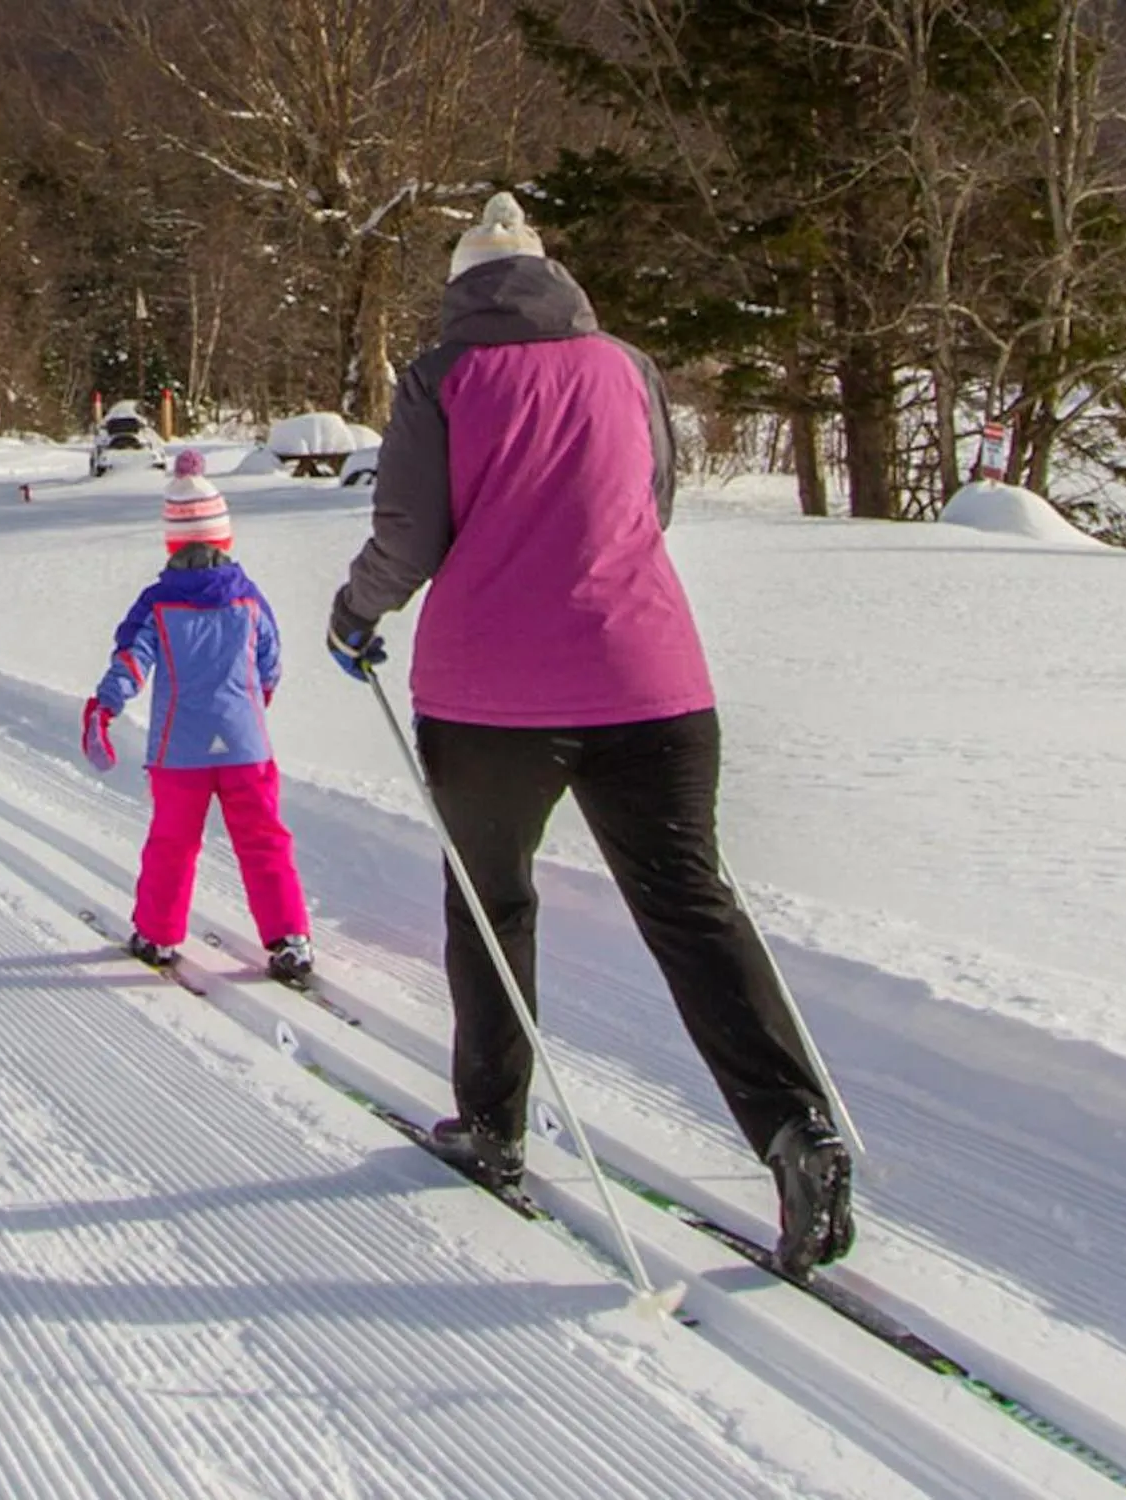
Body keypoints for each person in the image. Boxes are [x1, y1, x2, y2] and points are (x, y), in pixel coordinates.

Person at [325, 192, 854, 1277]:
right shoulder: (625, 365)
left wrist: (354, 612)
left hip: (488, 699)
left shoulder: (438, 378)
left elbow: (410, 535)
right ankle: (795, 1129)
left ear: (461, 287)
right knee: (691, 908)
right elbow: (652, 501)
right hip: (649, 680)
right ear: (554, 279)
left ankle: (493, 1126)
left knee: (490, 899)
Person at [84, 450, 316, 986]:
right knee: (263, 839)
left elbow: (131, 659)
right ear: (224, 538)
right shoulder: (249, 598)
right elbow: (271, 662)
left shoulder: (157, 603)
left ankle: (159, 935)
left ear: (171, 541)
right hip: (245, 746)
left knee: (173, 842)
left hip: (179, 751)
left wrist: (106, 706)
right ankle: (289, 937)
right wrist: (253, 707)